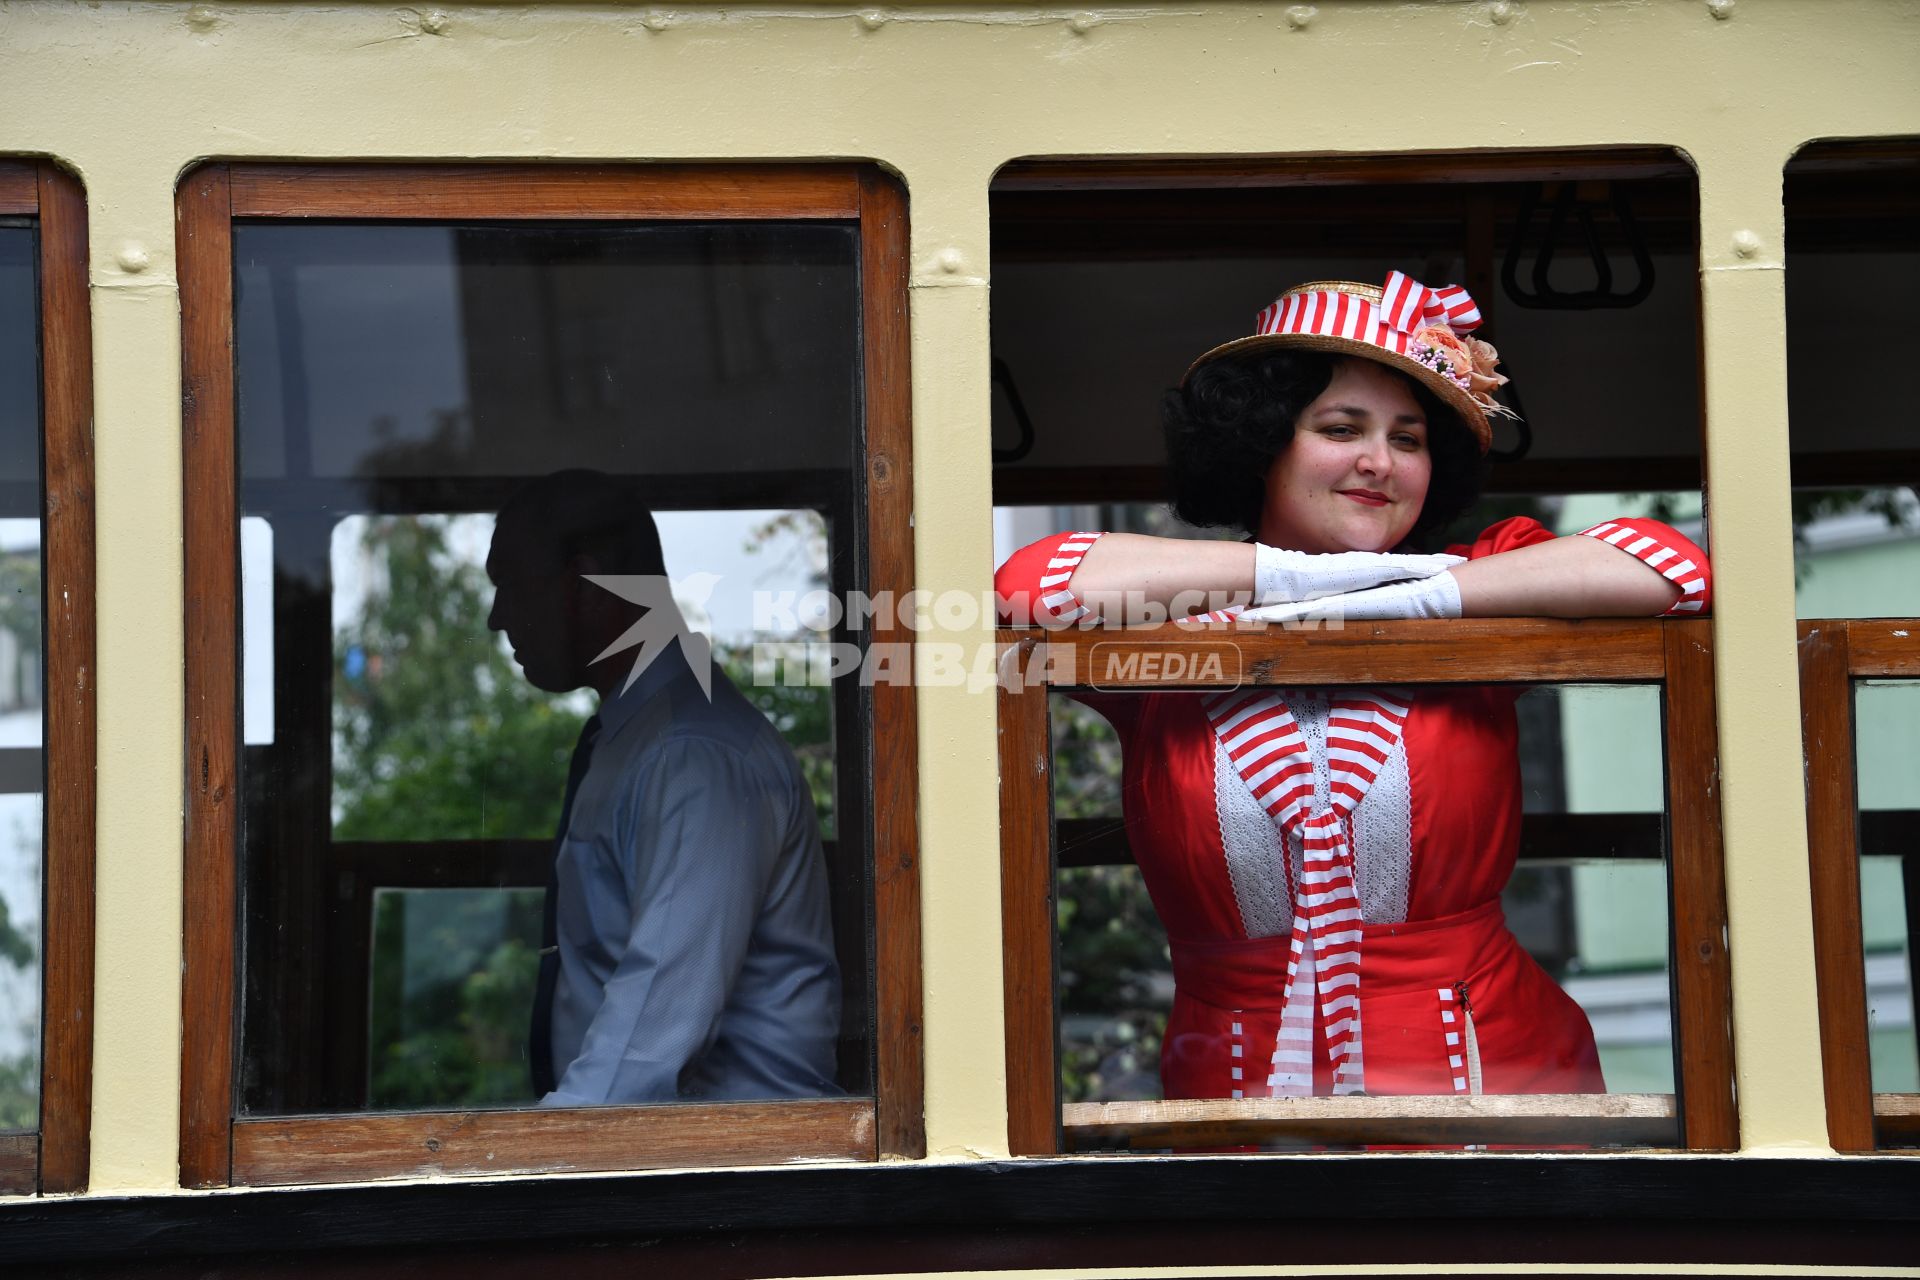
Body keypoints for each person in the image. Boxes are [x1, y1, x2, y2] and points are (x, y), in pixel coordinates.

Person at [994, 273, 1711, 1101]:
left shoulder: (1479, 585)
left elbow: (1674, 569)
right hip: (1236, 1085)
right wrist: (1301, 581)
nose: (1379, 462)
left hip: (1497, 1074)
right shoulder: (1174, 619)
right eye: (1342, 428)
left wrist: (1426, 594)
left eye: (1408, 439)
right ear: (1261, 445)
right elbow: (1028, 585)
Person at [487, 469, 840, 1106]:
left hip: (733, 1174)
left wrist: (531, 1166)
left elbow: (655, 1031)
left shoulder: (692, 755)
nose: (496, 616)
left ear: (585, 584)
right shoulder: (642, 739)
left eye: (510, 586)